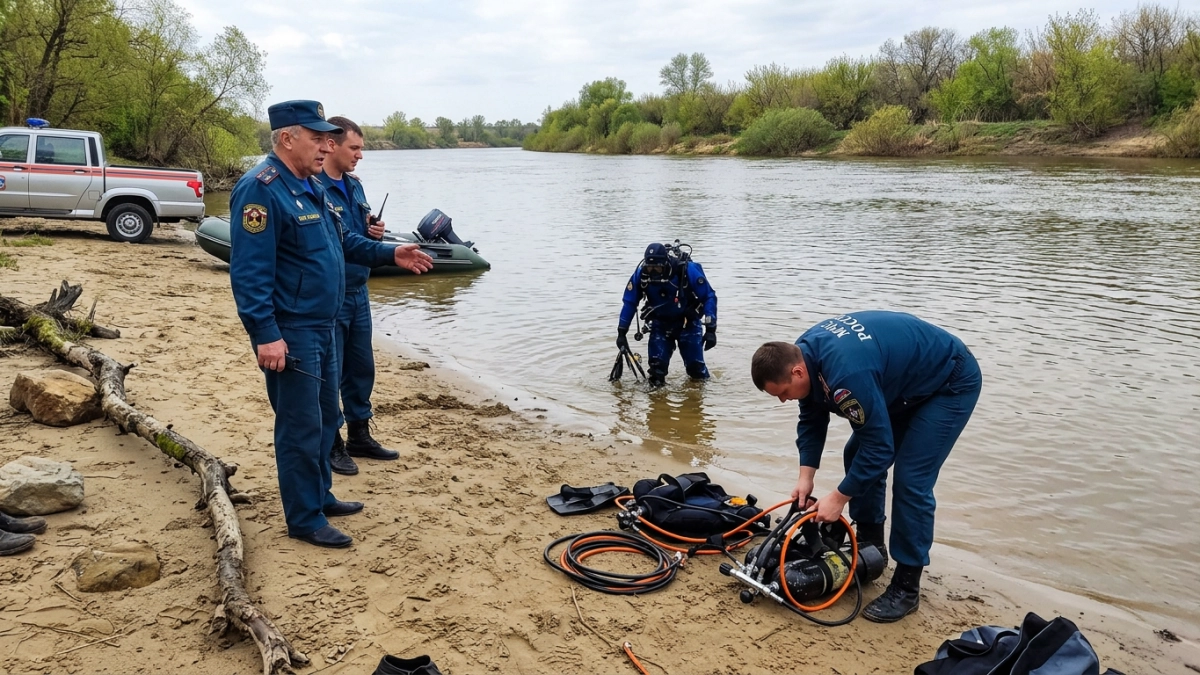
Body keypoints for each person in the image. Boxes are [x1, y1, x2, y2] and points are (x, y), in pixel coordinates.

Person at [229, 100, 432, 549]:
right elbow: (248, 273)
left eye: (328, 138)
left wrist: (391, 253)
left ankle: (319, 495)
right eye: (317, 138)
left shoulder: (309, 185)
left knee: (324, 420)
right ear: (286, 138)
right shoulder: (261, 189)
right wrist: (265, 334)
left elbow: (342, 241)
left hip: (325, 323)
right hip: (293, 329)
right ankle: (303, 518)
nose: (326, 146)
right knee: (300, 425)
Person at [750, 311, 982, 622]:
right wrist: (806, 478)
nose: (782, 401)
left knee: (911, 480)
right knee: (855, 452)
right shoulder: (803, 355)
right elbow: (812, 417)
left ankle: (907, 587)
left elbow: (880, 450)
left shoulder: (846, 376)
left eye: (783, 393)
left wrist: (839, 497)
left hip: (949, 383)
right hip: (904, 384)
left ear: (796, 372)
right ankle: (872, 547)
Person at [317, 116, 396, 476]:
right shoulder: (313, 187)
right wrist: (389, 252)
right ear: (332, 145)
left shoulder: (355, 187)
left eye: (361, 148)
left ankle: (359, 435)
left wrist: (375, 233)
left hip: (358, 291)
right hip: (329, 295)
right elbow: (340, 242)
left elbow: (359, 235)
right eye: (355, 148)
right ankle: (332, 442)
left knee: (361, 368)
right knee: (329, 373)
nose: (360, 155)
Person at [616, 242, 717, 388]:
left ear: (666, 263)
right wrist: (621, 332)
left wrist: (711, 329)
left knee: (696, 372)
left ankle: (699, 401)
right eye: (649, 268)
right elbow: (629, 303)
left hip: (688, 323)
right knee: (656, 373)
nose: (653, 271)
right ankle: (658, 401)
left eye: (657, 267)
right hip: (660, 325)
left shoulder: (687, 270)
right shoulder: (641, 275)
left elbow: (709, 296)